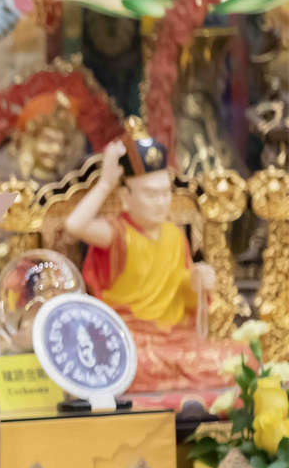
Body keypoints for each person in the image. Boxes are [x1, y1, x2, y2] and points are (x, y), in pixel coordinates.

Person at [65, 119, 249, 393]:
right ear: (126, 197)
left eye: (165, 193)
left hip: (177, 340)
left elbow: (183, 292)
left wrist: (197, 281)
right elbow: (74, 225)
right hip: (132, 341)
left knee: (242, 358)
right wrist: (105, 183)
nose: (161, 202)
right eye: (151, 195)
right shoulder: (118, 233)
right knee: (128, 363)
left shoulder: (174, 235)